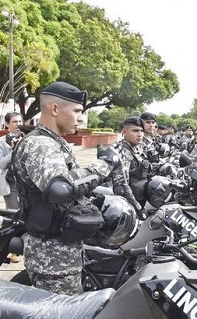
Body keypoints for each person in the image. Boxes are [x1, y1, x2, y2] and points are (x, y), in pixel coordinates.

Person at [12, 81, 122, 295]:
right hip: (52, 258)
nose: (81, 118)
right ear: (54, 109)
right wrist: (103, 165)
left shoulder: (55, 142)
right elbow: (60, 188)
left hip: (62, 252)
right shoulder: (40, 144)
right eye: (77, 111)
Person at [0, 112, 24, 210]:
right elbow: (0, 164)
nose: (18, 124)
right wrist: (14, 151)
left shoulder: (30, 139)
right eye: (14, 121)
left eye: (20, 121)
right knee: (13, 213)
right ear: (7, 124)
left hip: (28, 182)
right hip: (11, 183)